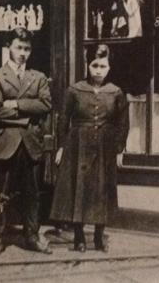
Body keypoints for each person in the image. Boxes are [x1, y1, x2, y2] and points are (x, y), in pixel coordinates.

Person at [50, 44, 128, 253]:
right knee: (80, 189)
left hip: (105, 147)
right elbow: (63, 120)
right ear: (88, 65)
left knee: (101, 190)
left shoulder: (116, 93)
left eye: (103, 66)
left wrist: (120, 149)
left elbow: (123, 123)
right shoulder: (74, 90)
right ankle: (78, 237)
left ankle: (98, 235)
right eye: (94, 65)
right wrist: (60, 147)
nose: (98, 70)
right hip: (78, 146)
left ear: (109, 68)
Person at [0, 27, 53, 255]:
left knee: (33, 194)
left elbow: (46, 105)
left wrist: (16, 104)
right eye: (18, 47)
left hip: (31, 143)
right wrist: (27, 117)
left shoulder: (38, 77)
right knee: (0, 192)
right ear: (8, 47)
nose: (23, 53)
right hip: (5, 144)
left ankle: (32, 236)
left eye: (27, 48)